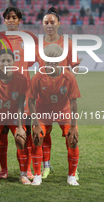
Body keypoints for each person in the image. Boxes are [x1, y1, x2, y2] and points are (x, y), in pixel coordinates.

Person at [0, 6, 38, 180]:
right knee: (2, 132)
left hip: (23, 92)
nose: (11, 20)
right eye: (8, 18)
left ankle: (26, 169)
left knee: (23, 133)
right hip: (2, 92)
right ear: (4, 20)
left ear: (20, 20)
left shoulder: (29, 38)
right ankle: (3, 169)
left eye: (14, 17)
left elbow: (34, 60)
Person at [37, 7, 80, 180]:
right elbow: (26, 62)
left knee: (72, 135)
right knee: (43, 134)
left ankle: (73, 170)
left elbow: (75, 65)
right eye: (46, 22)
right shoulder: (38, 44)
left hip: (63, 100)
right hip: (43, 98)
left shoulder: (67, 42)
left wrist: (69, 81)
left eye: (52, 22)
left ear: (59, 24)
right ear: (42, 24)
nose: (49, 25)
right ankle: (46, 166)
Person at [28, 44, 80, 186]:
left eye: (54, 62)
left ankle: (71, 175)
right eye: (47, 62)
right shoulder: (38, 77)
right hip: (43, 113)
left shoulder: (69, 77)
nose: (50, 64)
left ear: (60, 61)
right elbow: (31, 101)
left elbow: (74, 103)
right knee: (37, 138)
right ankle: (37, 175)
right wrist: (36, 124)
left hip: (64, 112)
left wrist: (74, 126)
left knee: (73, 140)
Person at [0, 49, 29, 184]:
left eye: (8, 60)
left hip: (14, 115)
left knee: (21, 139)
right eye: (2, 60)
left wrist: (21, 127)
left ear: (14, 62)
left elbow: (21, 104)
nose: (5, 63)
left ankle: (23, 175)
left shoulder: (21, 79)